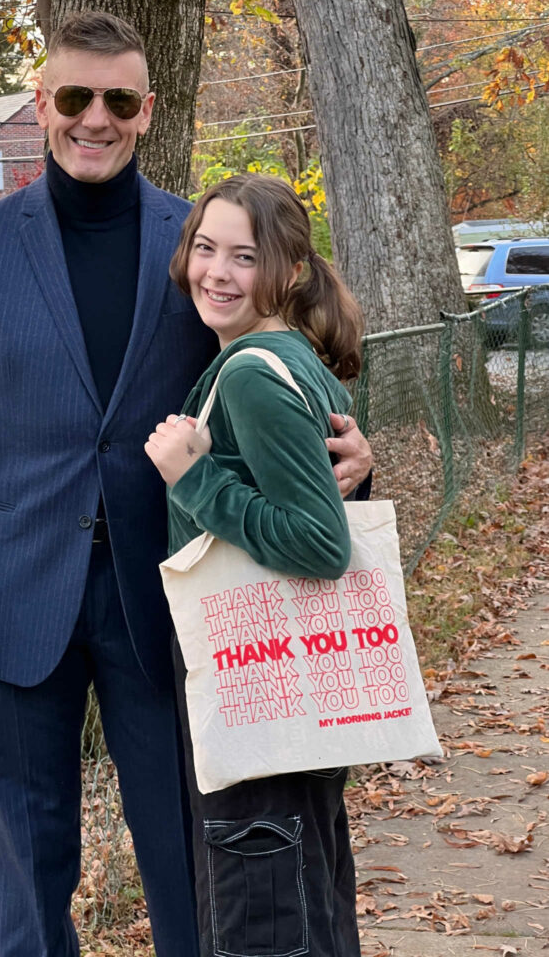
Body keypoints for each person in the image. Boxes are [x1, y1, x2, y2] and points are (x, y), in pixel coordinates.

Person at [0, 12, 372, 957]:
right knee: (29, 881)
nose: (95, 119)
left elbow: (279, 369)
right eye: (75, 98)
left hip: (172, 603)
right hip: (12, 607)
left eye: (118, 100)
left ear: (147, 110)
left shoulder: (200, 245)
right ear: (43, 105)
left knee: (194, 868)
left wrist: (353, 458)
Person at [145, 174, 364, 957]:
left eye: (245, 256)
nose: (217, 273)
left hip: (254, 689)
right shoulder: (290, 357)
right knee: (308, 900)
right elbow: (322, 481)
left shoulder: (246, 374)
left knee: (264, 916)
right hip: (288, 686)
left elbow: (319, 543)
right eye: (205, 249)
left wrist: (193, 479)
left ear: (290, 271)